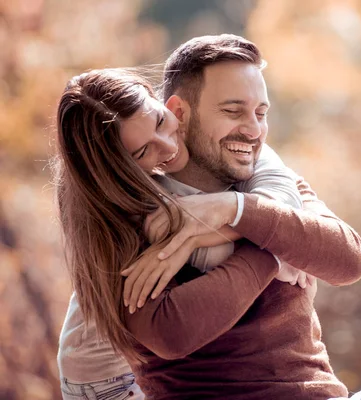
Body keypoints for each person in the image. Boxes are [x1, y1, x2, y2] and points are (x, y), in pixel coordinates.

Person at [55, 34, 361, 399]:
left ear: (172, 113)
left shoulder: (267, 181)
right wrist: (270, 252)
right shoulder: (126, 236)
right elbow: (171, 333)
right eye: (233, 111)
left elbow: (347, 259)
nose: (253, 130)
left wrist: (238, 211)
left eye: (261, 112)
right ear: (188, 108)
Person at [55, 69, 318, 399]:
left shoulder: (236, 146)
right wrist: (272, 251)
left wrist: (211, 223)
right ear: (119, 170)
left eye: (160, 122)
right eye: (142, 152)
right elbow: (174, 330)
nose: (167, 146)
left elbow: (283, 206)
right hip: (103, 387)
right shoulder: (126, 215)